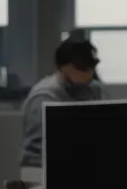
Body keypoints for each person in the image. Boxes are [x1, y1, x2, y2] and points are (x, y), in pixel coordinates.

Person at [21, 36, 105, 169]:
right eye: (82, 67)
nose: (88, 72)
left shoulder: (92, 89)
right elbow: (38, 149)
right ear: (63, 67)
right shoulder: (43, 96)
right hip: (42, 167)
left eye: (91, 66)